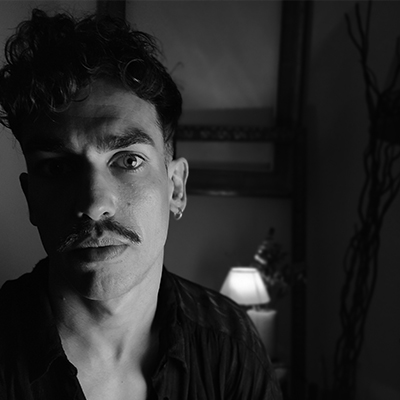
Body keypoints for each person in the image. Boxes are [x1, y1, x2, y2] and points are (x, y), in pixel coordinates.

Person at [0, 9, 282, 400]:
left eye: (128, 160)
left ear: (176, 187)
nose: (94, 203)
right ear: (31, 197)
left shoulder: (230, 346)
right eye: (58, 167)